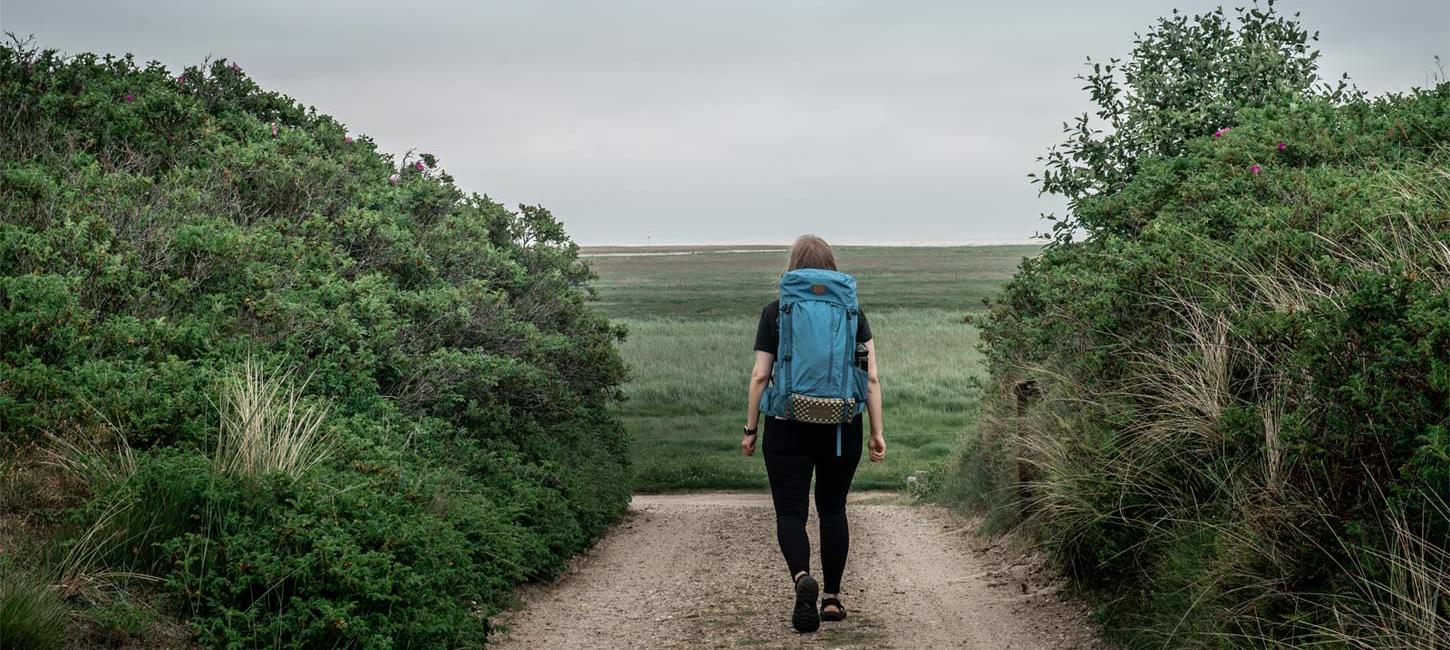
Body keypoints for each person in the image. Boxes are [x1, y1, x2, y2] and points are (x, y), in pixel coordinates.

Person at [741, 234, 887, 633]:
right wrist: (877, 431)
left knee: (791, 512)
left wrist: (751, 429)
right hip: (842, 425)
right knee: (833, 509)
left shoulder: (776, 312)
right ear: (831, 266)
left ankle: (802, 577)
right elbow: (870, 377)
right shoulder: (853, 312)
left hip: (787, 425)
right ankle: (834, 600)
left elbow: (760, 376)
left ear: (794, 267)